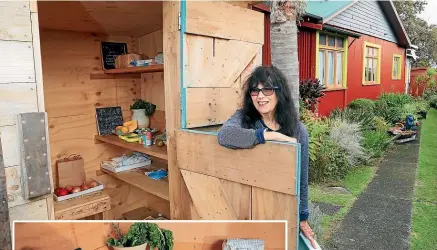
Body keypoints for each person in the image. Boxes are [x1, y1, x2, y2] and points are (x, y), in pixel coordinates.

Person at [217, 65, 316, 248]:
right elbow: (224, 135)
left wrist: (302, 218)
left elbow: (302, 179)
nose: (260, 96)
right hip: (249, 207)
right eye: (255, 90)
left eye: (267, 89)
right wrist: (267, 135)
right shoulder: (245, 119)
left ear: (280, 92)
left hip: (282, 208)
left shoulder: (298, 130)